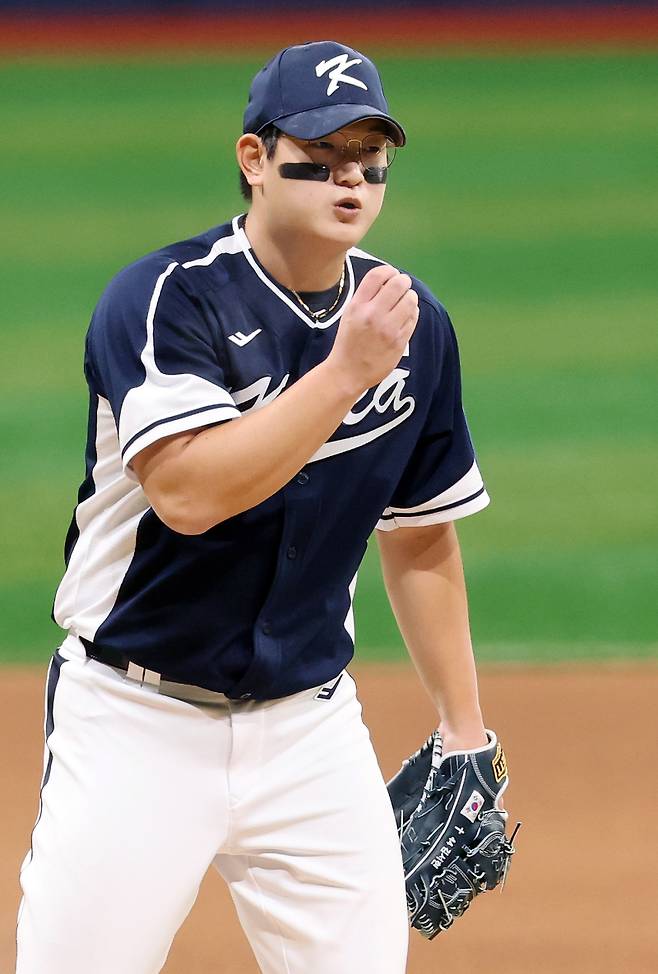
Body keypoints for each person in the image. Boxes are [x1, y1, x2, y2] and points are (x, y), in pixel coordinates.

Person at [16, 40, 494, 974]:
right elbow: (191, 494)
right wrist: (345, 373)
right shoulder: (164, 300)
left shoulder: (410, 321)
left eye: (371, 159)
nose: (349, 179)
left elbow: (422, 534)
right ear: (255, 160)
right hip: (136, 724)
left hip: (310, 732)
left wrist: (463, 727)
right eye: (320, 155)